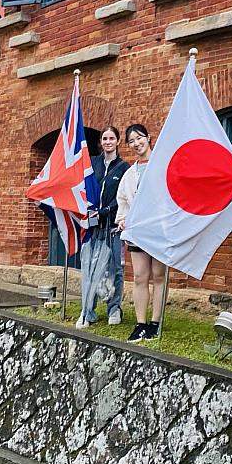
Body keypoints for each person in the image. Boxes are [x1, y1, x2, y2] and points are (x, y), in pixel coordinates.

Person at [116, 124, 166, 343]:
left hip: (160, 229)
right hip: (138, 231)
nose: (137, 144)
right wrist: (122, 221)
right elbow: (123, 204)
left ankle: (156, 322)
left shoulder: (163, 166)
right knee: (139, 276)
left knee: (159, 275)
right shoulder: (129, 174)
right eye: (132, 141)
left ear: (148, 138)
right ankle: (140, 323)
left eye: (139, 138)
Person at [76, 126, 130, 330]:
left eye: (112, 138)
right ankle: (88, 310)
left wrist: (106, 211)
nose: (108, 141)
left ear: (117, 142)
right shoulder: (91, 163)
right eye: (105, 138)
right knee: (90, 267)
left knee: (115, 268)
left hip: (113, 225)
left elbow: (123, 197)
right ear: (101, 142)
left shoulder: (124, 168)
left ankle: (114, 308)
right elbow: (82, 187)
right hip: (92, 226)